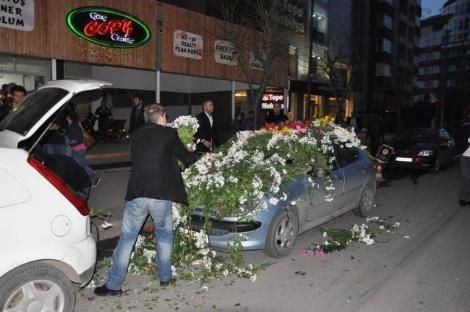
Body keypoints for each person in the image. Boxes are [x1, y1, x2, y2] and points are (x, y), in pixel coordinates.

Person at [94, 104, 197, 296]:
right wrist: (191, 151)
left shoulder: (136, 134)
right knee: (164, 236)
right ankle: (165, 277)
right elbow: (188, 159)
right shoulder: (170, 134)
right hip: (160, 195)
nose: (167, 120)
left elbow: (144, 158)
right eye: (165, 117)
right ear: (161, 117)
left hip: (138, 193)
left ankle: (114, 285)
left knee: (127, 239)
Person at [65, 111, 100, 187]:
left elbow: (77, 138)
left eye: (67, 118)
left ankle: (95, 177)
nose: (66, 119)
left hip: (78, 149)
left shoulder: (73, 126)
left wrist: (68, 143)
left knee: (82, 165)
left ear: (70, 118)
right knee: (81, 165)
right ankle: (89, 179)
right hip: (78, 149)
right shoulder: (73, 126)